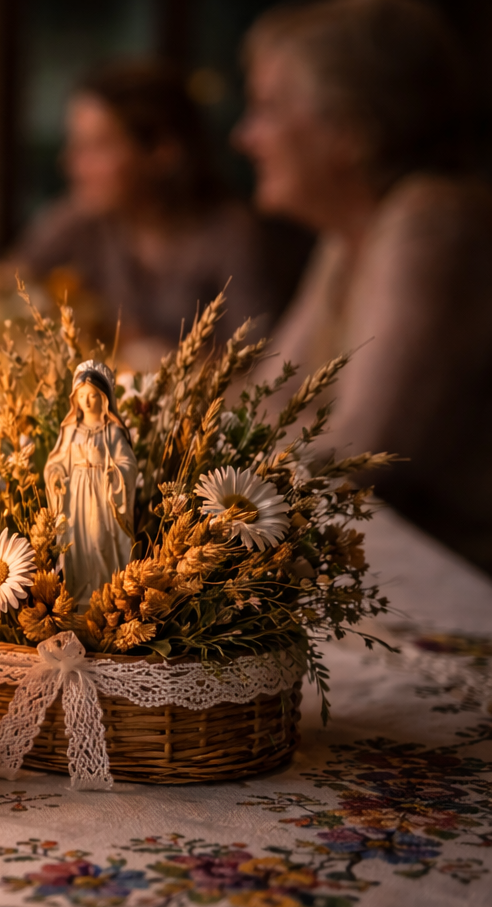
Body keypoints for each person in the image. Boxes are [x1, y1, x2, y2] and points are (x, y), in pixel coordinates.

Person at [235, 0, 492, 572]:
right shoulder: (352, 230)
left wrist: (190, 479)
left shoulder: (431, 221)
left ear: (348, 133)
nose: (243, 136)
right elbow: (270, 397)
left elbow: (364, 452)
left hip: (464, 585)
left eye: (267, 108)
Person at [12, 60, 270, 369]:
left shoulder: (231, 234)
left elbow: (258, 365)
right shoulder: (83, 218)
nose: (71, 163)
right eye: (75, 144)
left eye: (98, 146)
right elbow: (5, 285)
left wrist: (166, 359)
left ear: (163, 151)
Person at [45, 360, 136, 604]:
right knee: (76, 543)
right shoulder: (70, 431)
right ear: (75, 397)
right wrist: (55, 478)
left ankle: (104, 594)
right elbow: (56, 462)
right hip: (74, 496)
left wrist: (115, 474)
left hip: (102, 496)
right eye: (82, 395)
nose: (86, 401)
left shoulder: (112, 432)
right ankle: (78, 595)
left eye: (93, 395)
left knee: (99, 541)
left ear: (104, 397)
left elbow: (128, 464)